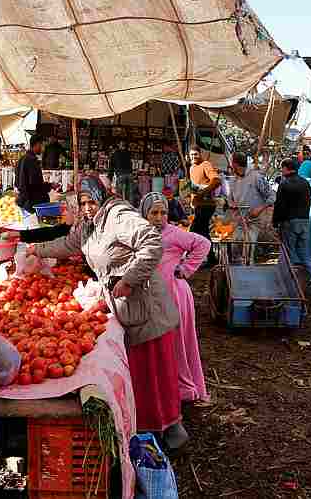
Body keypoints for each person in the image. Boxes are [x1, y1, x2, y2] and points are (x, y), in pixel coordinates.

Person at [27, 177, 186, 448]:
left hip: (145, 303)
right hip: (127, 305)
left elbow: (152, 244)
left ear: (103, 196)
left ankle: (169, 431)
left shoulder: (118, 216)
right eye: (84, 203)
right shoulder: (90, 224)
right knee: (142, 374)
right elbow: (68, 244)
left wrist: (129, 280)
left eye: (92, 201)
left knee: (155, 369)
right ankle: (147, 428)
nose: (88, 207)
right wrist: (35, 249)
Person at [140, 191, 212, 406]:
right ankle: (165, 385)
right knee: (161, 343)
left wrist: (185, 269)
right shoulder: (141, 233)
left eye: (163, 213)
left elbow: (203, 244)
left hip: (175, 294)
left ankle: (184, 388)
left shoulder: (173, 233)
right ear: (144, 214)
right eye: (154, 213)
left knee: (178, 341)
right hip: (155, 295)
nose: (160, 217)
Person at [273, 158, 311, 294]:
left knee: (288, 253)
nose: (281, 171)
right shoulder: (305, 183)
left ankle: (290, 283)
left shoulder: (285, 184)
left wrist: (275, 222)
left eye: (282, 168)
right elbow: (308, 202)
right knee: (304, 252)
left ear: (286, 168)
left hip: (290, 223)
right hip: (304, 222)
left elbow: (279, 206)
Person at [227, 152, 276, 241]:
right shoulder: (232, 180)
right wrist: (232, 204)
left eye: (231, 162)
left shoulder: (256, 177)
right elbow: (230, 199)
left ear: (235, 164)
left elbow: (272, 196)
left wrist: (260, 208)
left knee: (249, 245)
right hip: (239, 221)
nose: (229, 165)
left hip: (254, 221)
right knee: (235, 246)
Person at [188, 145, 221, 265]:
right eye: (191, 155)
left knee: (194, 230)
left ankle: (190, 258)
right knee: (203, 232)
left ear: (200, 154)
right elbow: (194, 187)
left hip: (207, 205)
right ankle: (211, 258)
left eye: (195, 154)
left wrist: (202, 192)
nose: (193, 157)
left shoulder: (206, 164)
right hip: (198, 205)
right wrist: (192, 200)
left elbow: (216, 180)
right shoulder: (191, 168)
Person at [14, 134, 52, 213]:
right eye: (42, 145)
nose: (43, 149)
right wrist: (50, 186)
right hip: (32, 204)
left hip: (23, 202)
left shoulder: (21, 159)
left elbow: (17, 183)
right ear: (37, 144)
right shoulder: (32, 161)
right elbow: (35, 186)